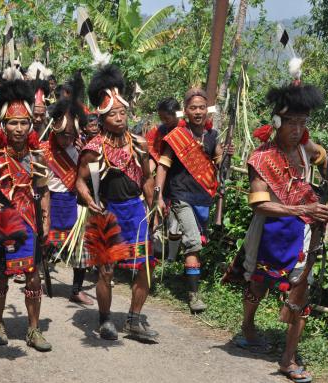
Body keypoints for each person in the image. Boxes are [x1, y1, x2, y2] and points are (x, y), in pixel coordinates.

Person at [235, 82, 328, 383]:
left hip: (305, 233)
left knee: (300, 293)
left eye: (303, 122)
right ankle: (248, 327)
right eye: (291, 122)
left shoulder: (306, 148)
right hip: (270, 229)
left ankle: (288, 358)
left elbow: (325, 160)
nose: (297, 129)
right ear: (278, 122)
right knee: (258, 285)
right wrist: (303, 210)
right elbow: (260, 204)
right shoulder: (261, 158)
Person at [76, 65, 158, 343]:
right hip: (108, 213)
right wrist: (89, 200)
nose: (120, 118)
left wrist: (153, 207)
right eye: (113, 114)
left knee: (144, 266)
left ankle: (134, 320)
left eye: (122, 113)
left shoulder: (139, 144)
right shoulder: (94, 148)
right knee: (106, 270)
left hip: (136, 212)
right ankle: (105, 320)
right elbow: (80, 182)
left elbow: (147, 178)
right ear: (102, 117)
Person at [0, 78, 52, 352]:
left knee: (33, 277)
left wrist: (47, 220)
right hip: (2, 224)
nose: (18, 128)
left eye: (23, 123)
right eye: (13, 123)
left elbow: (44, 192)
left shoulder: (38, 157)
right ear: (3, 125)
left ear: (31, 124)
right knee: (2, 277)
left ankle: (33, 329)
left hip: (29, 224)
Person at [154, 88, 229, 312]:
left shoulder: (212, 136)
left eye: (202, 107)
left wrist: (225, 155)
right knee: (194, 243)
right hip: (181, 195)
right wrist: (158, 195)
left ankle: (163, 257)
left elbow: (218, 164)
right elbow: (163, 166)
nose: (198, 111)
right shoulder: (176, 137)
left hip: (203, 197)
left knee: (192, 242)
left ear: (207, 111)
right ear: (185, 111)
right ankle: (194, 296)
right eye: (193, 108)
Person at [40, 71, 93, 305]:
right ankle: (40, 278)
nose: (66, 139)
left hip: (74, 204)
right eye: (62, 135)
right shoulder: (43, 151)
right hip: (50, 202)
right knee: (46, 246)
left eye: (70, 135)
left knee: (82, 251)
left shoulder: (81, 150)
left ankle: (76, 289)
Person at [145, 98, 181, 262]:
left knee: (175, 220)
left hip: (180, 179)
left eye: (167, 118)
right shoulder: (160, 131)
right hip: (161, 177)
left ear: (176, 114)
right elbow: (153, 155)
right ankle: (156, 251)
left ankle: (172, 258)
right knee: (156, 213)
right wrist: (145, 175)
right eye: (162, 119)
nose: (164, 122)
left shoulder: (185, 130)